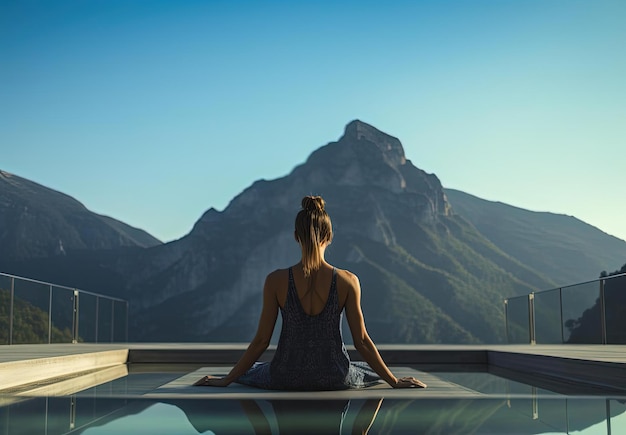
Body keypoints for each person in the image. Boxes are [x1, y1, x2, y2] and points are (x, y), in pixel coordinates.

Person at [194, 195, 427, 390]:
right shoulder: (348, 281)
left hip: (285, 376)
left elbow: (261, 341)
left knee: (255, 370)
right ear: (329, 237)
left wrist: (226, 381)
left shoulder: (276, 280)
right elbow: (363, 341)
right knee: (364, 370)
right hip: (334, 376)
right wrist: (393, 381)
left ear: (296, 237)